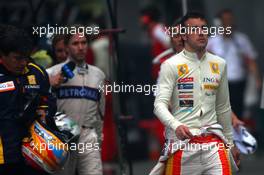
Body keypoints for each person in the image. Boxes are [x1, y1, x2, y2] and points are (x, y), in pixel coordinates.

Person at [153, 12, 239, 174]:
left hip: (214, 145)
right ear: (183, 35)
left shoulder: (219, 64)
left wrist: (230, 144)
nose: (201, 33)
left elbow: (223, 107)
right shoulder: (170, 65)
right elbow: (159, 105)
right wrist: (176, 125)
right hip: (182, 146)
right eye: (194, 29)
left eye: (204, 28)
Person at [47, 25, 105, 175]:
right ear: (67, 47)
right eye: (75, 43)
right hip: (62, 135)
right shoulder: (51, 73)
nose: (80, 47)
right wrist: (49, 85)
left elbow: (100, 113)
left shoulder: (98, 75)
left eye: (84, 43)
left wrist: (98, 139)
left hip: (88, 135)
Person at [0, 25, 56, 175]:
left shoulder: (37, 72)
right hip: (4, 157)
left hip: (34, 155)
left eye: (26, 57)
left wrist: (45, 112)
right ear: (2, 55)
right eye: (18, 58)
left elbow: (48, 101)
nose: (23, 62)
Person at [207, 9, 261, 118]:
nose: (228, 23)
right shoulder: (212, 41)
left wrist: (257, 79)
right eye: (225, 20)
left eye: (230, 20)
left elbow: (251, 60)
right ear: (219, 22)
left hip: (239, 82)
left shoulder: (242, 40)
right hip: (220, 84)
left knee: (240, 112)